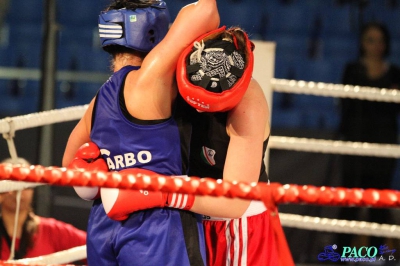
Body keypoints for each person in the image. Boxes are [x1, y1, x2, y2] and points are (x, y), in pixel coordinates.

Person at [62, 0, 219, 265]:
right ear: (151, 31)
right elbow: (206, 10)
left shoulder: (98, 100)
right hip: (159, 228)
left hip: (104, 227)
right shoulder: (151, 77)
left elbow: (69, 166)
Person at [177, 26, 293, 266]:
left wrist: (162, 193)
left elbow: (234, 202)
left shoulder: (248, 106)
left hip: (237, 228)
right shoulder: (188, 67)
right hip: (190, 217)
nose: (199, 107)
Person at [337, 21, 400, 248]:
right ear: (363, 43)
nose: (376, 45)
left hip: (384, 144)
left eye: (380, 40)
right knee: (350, 201)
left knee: (379, 202)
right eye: (371, 40)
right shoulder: (352, 70)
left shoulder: (394, 72)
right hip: (355, 142)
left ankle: (374, 257)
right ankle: (342, 256)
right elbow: (344, 105)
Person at [0, 158, 86, 262]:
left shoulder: (53, 231)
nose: (18, 190)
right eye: (10, 184)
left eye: (24, 184)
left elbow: (98, 248)